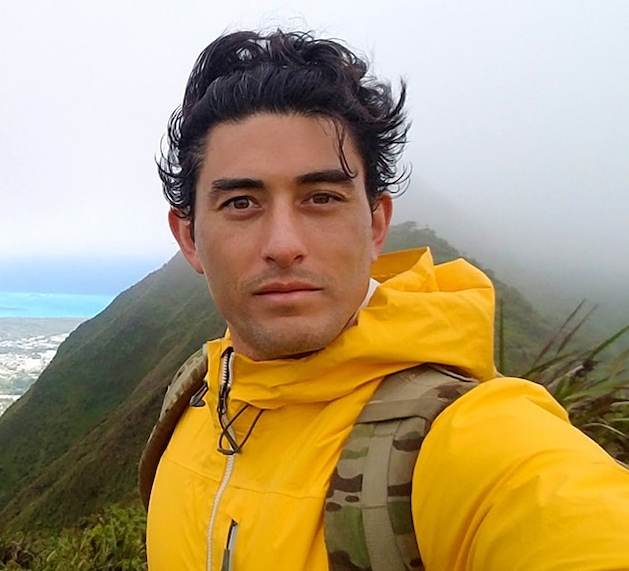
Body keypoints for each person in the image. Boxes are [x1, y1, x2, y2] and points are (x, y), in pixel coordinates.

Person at [144, 29, 629, 570]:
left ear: (376, 225)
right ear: (189, 238)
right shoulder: (193, 401)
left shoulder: (472, 440)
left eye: (321, 198)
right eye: (241, 202)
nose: (283, 245)